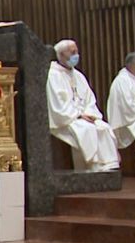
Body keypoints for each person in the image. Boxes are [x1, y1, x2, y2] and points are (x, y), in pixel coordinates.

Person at [47, 39, 120, 172]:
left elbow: (89, 99)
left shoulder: (78, 75)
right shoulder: (53, 76)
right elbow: (57, 105)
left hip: (84, 116)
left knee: (103, 127)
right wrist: (79, 115)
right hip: (66, 120)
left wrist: (90, 113)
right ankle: (93, 166)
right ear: (61, 55)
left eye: (77, 52)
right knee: (87, 130)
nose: (76, 55)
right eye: (72, 52)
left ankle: (108, 165)